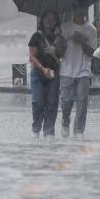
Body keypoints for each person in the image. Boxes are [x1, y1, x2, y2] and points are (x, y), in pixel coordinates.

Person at [59, 0, 97, 138]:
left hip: (84, 70)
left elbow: (91, 53)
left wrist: (82, 42)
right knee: (66, 101)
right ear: (73, 10)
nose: (81, 11)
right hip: (67, 70)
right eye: (78, 8)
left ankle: (79, 130)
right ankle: (65, 120)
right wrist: (62, 40)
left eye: (83, 8)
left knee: (82, 101)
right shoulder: (65, 27)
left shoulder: (91, 30)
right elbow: (60, 52)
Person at [28, 10, 63, 138]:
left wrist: (59, 38)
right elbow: (32, 56)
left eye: (53, 19)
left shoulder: (59, 37)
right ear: (42, 20)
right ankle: (36, 128)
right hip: (38, 73)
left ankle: (49, 132)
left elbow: (63, 54)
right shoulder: (36, 36)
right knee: (38, 102)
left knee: (52, 102)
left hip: (54, 74)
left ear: (56, 22)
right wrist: (43, 69)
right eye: (47, 18)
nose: (50, 21)